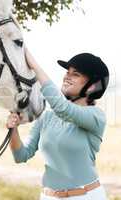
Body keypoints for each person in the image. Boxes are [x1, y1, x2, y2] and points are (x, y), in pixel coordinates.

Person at [6, 49, 109, 200]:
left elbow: (63, 108)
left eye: (76, 74)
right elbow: (21, 155)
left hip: (86, 196)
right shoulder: (47, 117)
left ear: (93, 86)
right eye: (68, 72)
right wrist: (13, 129)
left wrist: (34, 66)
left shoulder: (96, 116)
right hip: (48, 196)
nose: (67, 76)